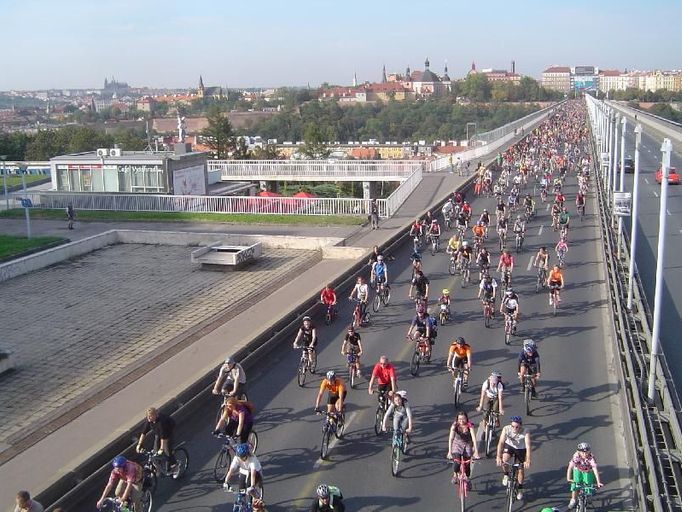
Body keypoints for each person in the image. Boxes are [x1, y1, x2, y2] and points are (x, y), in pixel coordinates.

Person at [497, 415, 532, 501]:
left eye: (517, 427)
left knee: (520, 469)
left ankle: (520, 488)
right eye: (513, 426)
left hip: (521, 449)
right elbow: (501, 442)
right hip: (510, 446)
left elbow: (528, 446)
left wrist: (528, 460)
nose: (514, 429)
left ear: (520, 426)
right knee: (504, 460)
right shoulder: (506, 429)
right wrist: (498, 456)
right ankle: (506, 474)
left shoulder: (525, 431)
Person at [135, 407, 178, 476]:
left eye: (150, 416)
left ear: (155, 415)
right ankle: (158, 468)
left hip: (167, 433)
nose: (149, 418)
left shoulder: (161, 422)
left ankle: (175, 465)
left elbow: (163, 438)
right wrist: (139, 445)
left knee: (167, 451)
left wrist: (161, 449)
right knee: (155, 452)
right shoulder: (149, 420)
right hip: (158, 433)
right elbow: (143, 433)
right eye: (147, 416)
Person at [566, 442, 604, 509]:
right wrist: (568, 478)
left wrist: (598, 482)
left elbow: (595, 470)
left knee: (588, 485)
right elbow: (570, 467)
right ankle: (573, 499)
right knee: (575, 485)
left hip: (587, 471)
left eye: (586, 452)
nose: (585, 454)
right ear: (578, 452)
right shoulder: (576, 456)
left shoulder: (591, 458)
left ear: (589, 451)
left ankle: (588, 496)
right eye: (582, 452)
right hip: (578, 470)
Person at [447, 411, 480, 485]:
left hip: (467, 444)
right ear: (457, 419)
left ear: (466, 418)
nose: (461, 421)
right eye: (459, 419)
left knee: (467, 463)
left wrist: (476, 451)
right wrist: (449, 452)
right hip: (457, 443)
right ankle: (455, 475)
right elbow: (451, 438)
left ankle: (468, 477)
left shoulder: (469, 425)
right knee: (457, 462)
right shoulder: (454, 425)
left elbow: (474, 439)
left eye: (463, 419)